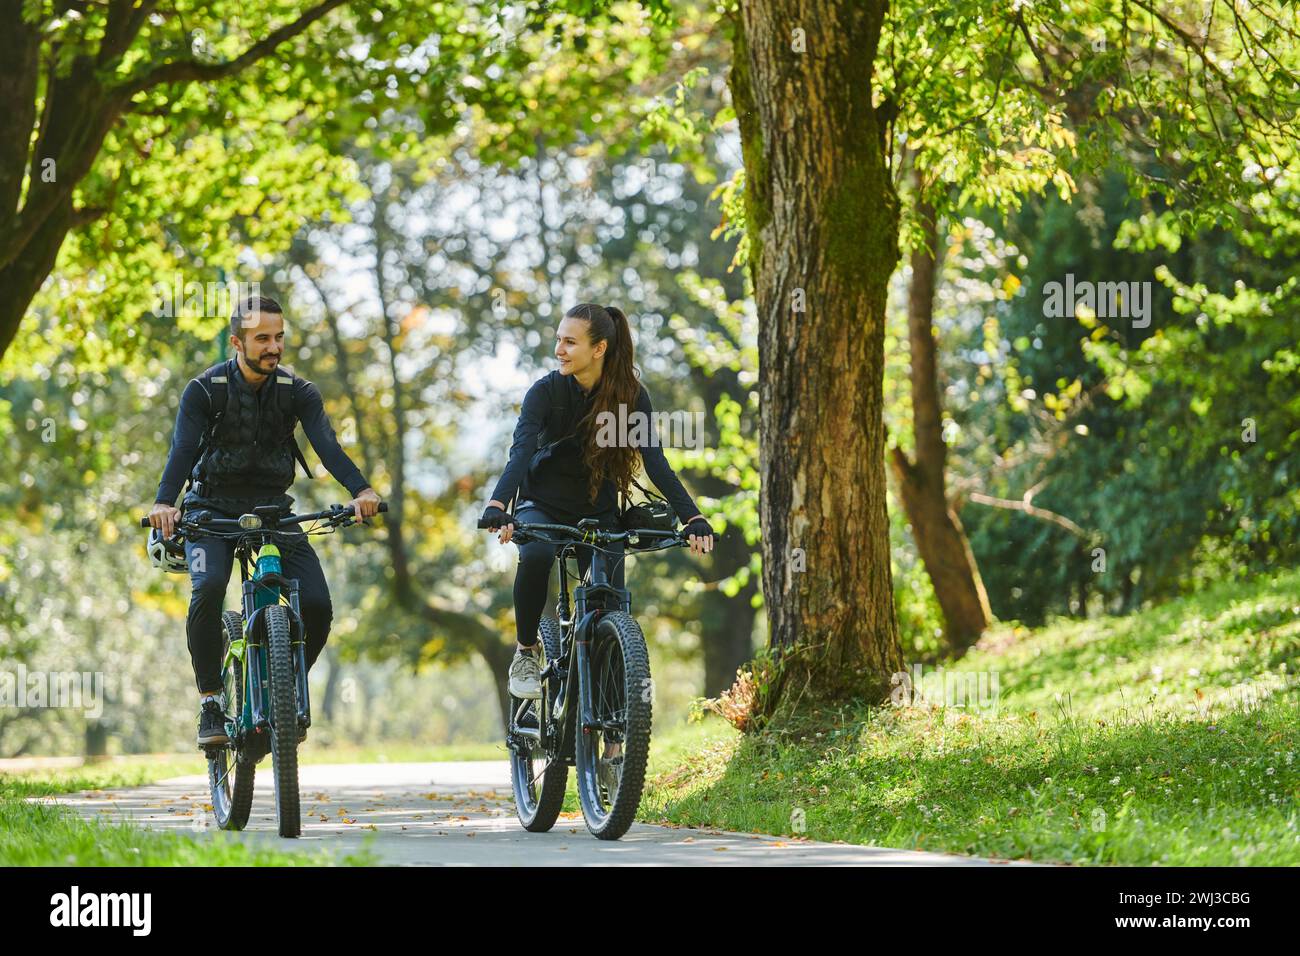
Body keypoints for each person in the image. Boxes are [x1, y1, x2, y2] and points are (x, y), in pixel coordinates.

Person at [145, 295, 381, 746]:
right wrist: (164, 502)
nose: (274, 347)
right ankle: (211, 702)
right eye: (262, 339)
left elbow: (327, 447)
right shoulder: (205, 390)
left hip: (274, 510)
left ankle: (284, 688)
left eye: (279, 338)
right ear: (237, 342)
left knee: (316, 606)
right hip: (210, 510)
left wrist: (362, 491)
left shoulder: (298, 391)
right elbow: (181, 450)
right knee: (209, 588)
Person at [481, 303, 714, 700]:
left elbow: (654, 460)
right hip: (542, 505)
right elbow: (519, 453)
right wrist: (500, 504)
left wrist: (692, 517)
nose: (559, 350)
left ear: (599, 348)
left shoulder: (630, 397)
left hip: (599, 512)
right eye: (559, 340)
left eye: (570, 342)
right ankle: (525, 651)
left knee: (609, 605)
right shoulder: (545, 392)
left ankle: (615, 741)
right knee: (536, 556)